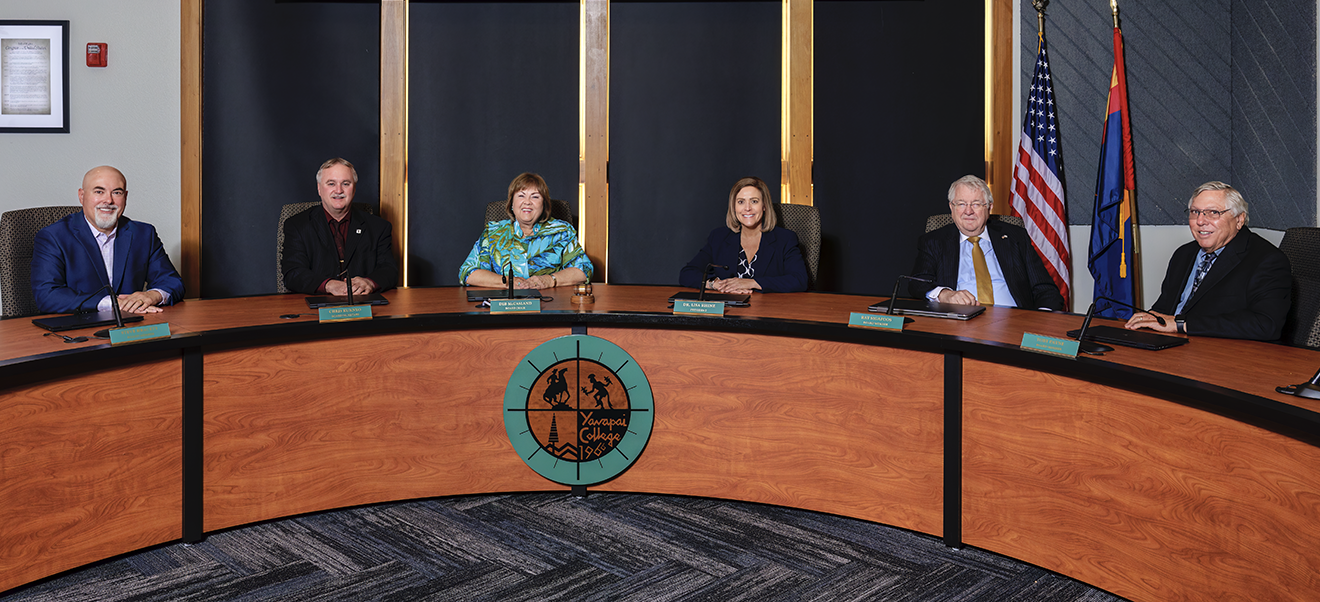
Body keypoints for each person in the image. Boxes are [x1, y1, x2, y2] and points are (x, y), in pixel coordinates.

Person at [1125, 181, 1290, 340]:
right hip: (1171, 344)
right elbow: (1164, 310)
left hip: (1223, 356)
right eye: (1195, 212)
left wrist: (1181, 325)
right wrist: (1146, 321)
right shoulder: (1184, 254)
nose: (1200, 221)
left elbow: (1266, 325)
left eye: (1213, 212)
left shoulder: (1267, 260)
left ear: (1239, 220)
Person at [31, 165, 184, 314]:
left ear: (125, 197)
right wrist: (113, 304)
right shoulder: (53, 236)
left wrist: (152, 295)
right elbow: (47, 296)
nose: (108, 200)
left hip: (132, 327)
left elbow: (173, 282)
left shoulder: (143, 233)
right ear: (82, 196)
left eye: (117, 193)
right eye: (99, 191)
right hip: (78, 329)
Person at [909, 175, 1064, 311]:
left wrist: (1042, 321)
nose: (968, 211)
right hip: (959, 325)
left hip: (1015, 323)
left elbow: (1045, 289)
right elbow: (916, 284)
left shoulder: (1014, 236)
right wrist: (945, 294)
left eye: (976, 204)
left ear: (989, 207)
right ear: (952, 207)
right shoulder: (934, 241)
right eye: (961, 204)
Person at [281, 158, 398, 295]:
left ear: (354, 189)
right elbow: (293, 273)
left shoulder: (379, 227)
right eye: (331, 184)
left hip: (364, 305)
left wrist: (369, 282)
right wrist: (328, 285)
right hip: (313, 306)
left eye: (346, 184)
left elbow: (389, 270)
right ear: (319, 188)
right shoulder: (297, 225)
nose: (338, 190)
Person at [460, 173, 592, 289]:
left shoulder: (562, 231)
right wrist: (507, 283)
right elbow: (467, 272)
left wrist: (549, 280)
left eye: (535, 197)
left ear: (544, 205)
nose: (527, 202)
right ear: (512, 203)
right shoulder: (493, 232)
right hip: (504, 306)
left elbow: (583, 270)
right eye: (521, 196)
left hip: (549, 305)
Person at [678, 176, 808, 293]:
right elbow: (686, 274)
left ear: (764, 206)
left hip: (767, 311)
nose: (747, 208)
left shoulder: (784, 239)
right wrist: (715, 284)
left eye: (754, 201)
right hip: (728, 311)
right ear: (734, 207)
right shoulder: (719, 237)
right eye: (741, 202)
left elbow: (799, 280)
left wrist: (752, 283)